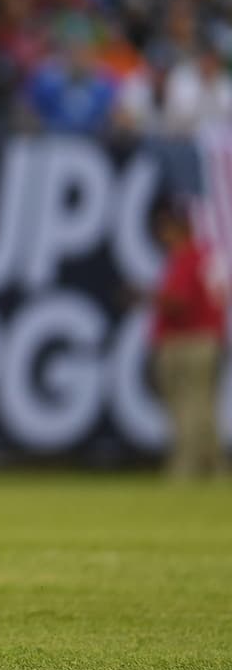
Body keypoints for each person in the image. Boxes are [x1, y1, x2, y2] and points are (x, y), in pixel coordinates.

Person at [150, 197, 226, 478]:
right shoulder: (208, 256)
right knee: (203, 406)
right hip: (207, 339)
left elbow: (178, 302)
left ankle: (187, 467)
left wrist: (148, 297)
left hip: (187, 340)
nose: (162, 234)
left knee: (189, 407)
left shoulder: (188, 257)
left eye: (167, 227)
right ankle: (213, 466)